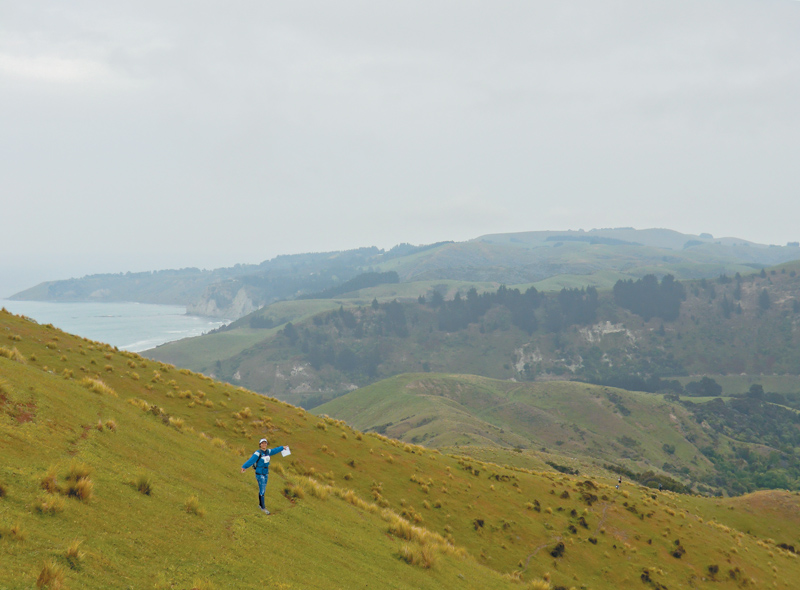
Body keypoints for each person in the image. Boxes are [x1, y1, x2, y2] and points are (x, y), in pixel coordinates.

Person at [240, 438, 288, 514]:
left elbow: (275, 450)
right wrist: (244, 467)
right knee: (262, 490)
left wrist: (282, 447)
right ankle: (263, 508)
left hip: (265, 473)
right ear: (260, 444)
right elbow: (251, 460)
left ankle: (260, 505)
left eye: (265, 443)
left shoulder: (268, 451)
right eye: (262, 443)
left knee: (263, 490)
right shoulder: (258, 453)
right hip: (259, 473)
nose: (264, 444)